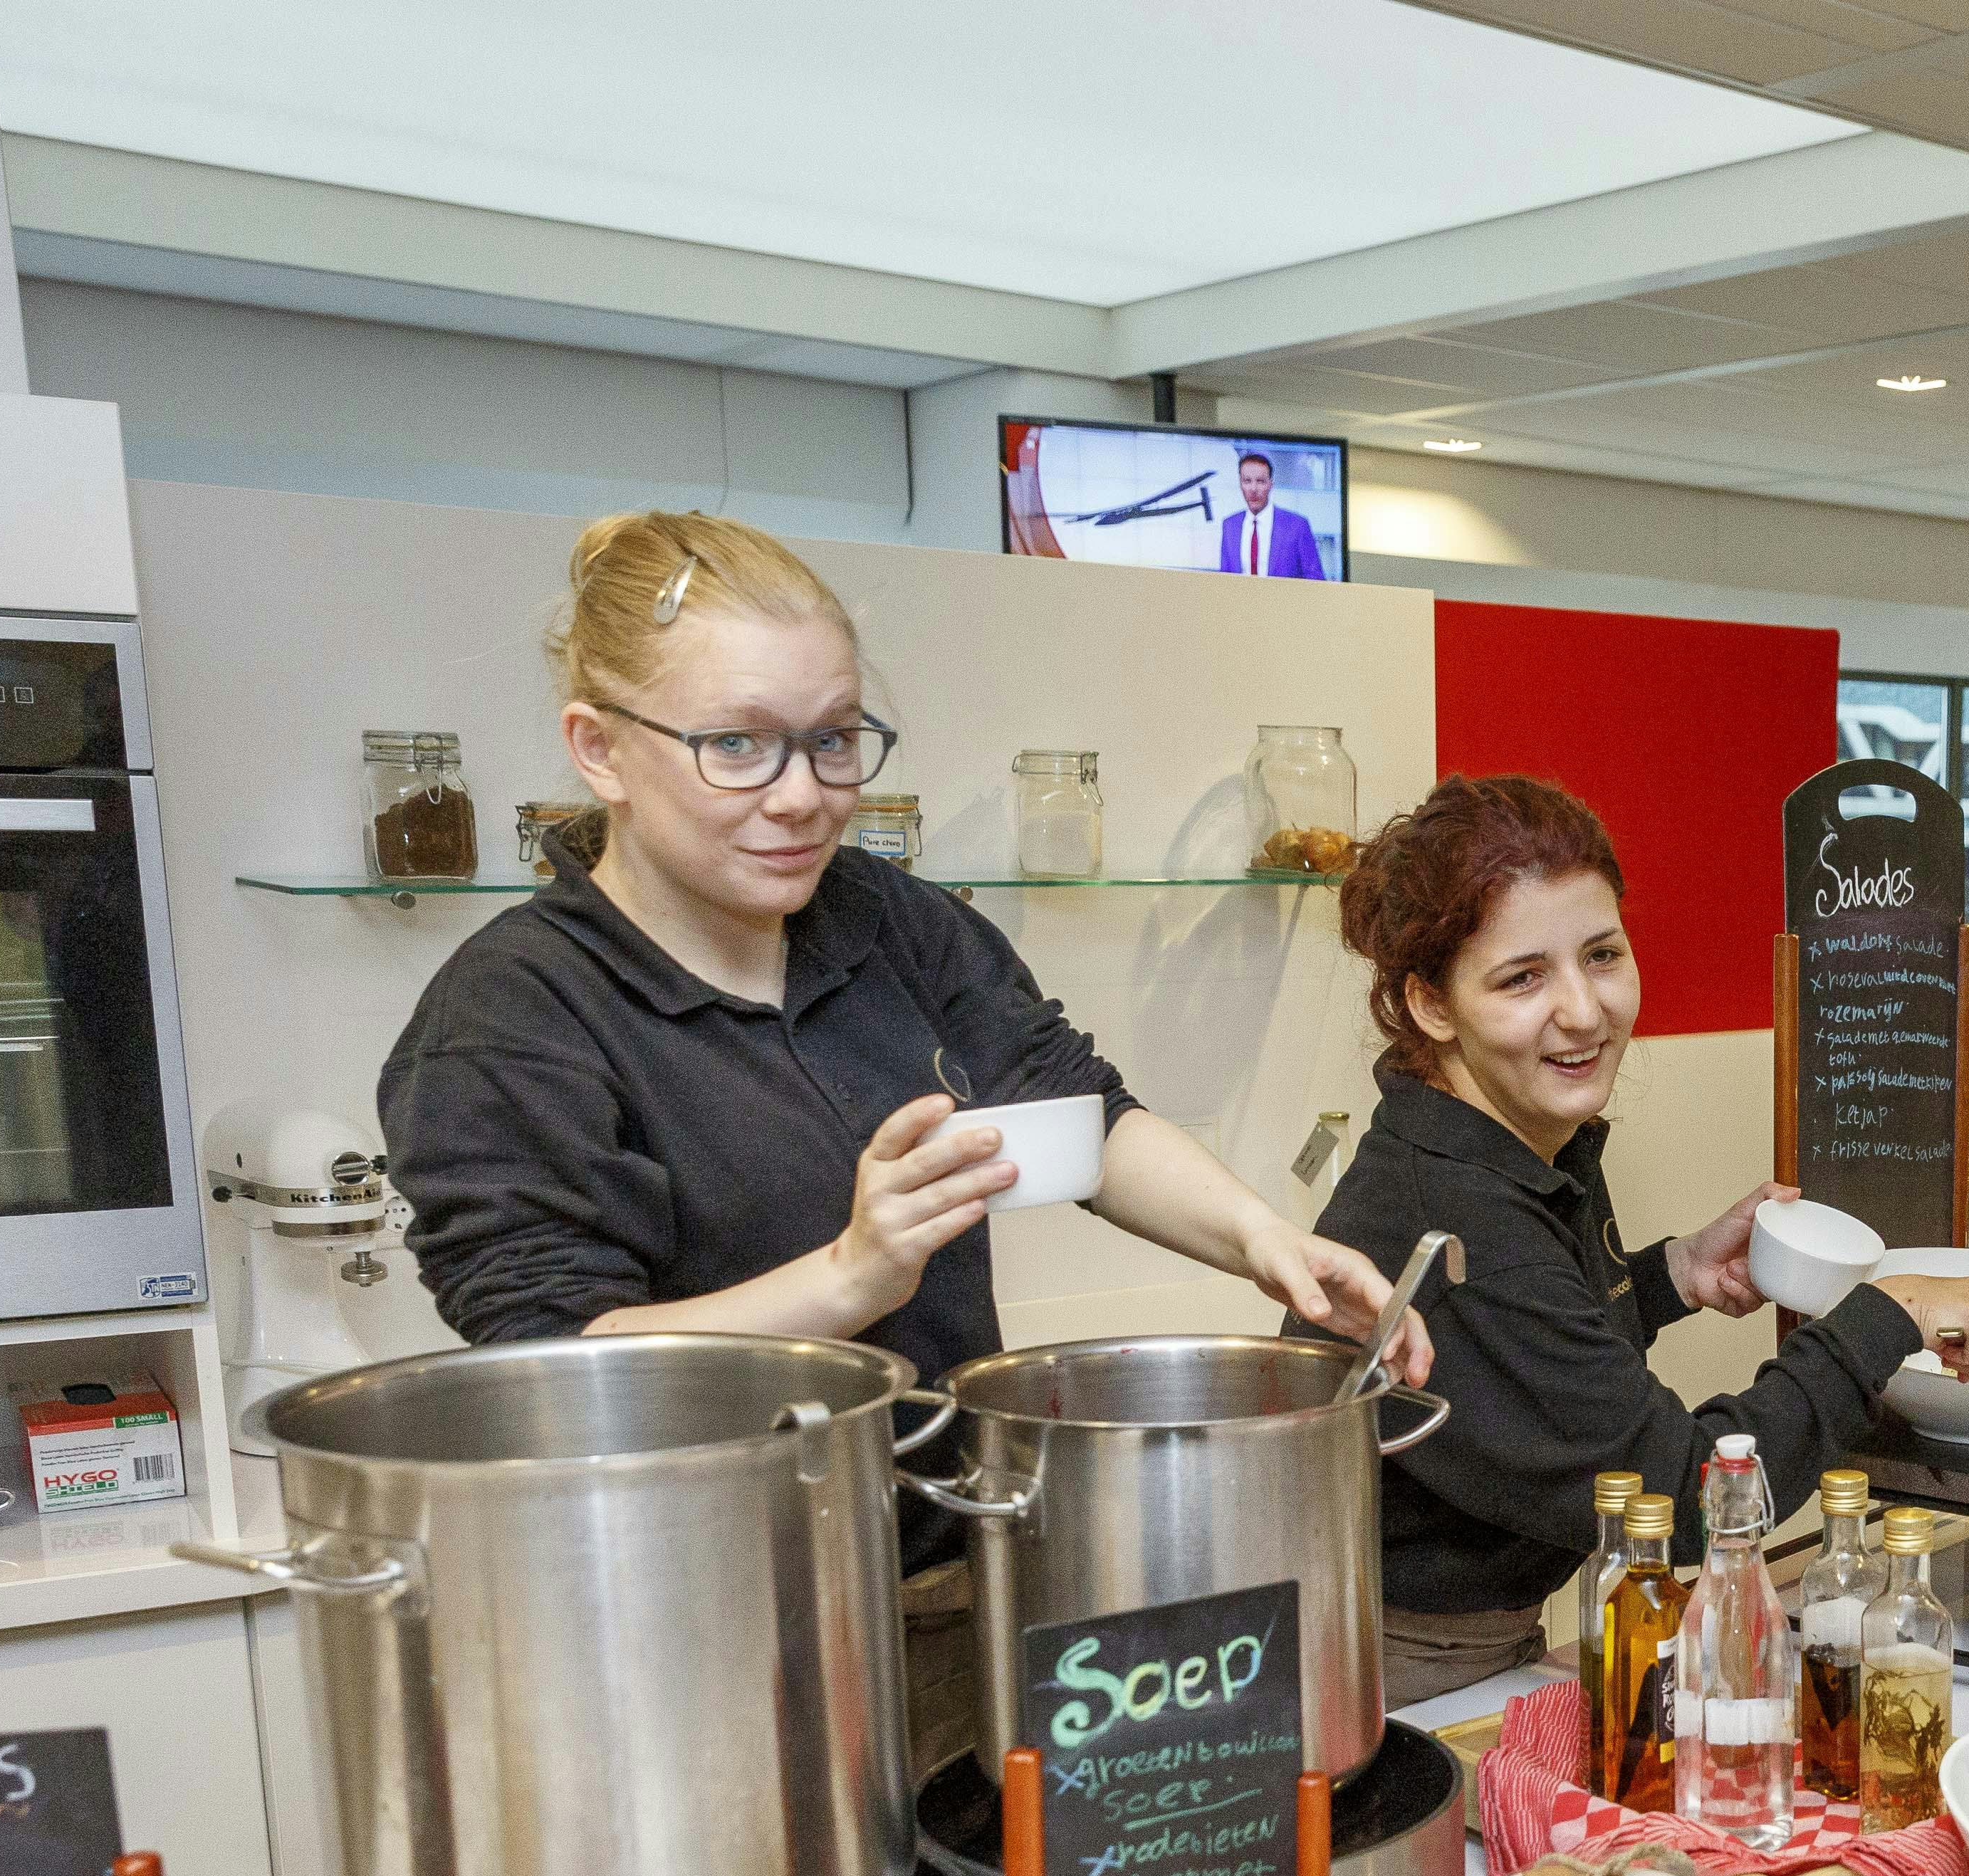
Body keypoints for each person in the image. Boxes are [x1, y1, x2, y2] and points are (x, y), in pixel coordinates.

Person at [382, 510, 1409, 1584]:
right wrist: (848, 1280)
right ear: (599, 749)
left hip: (957, 1559)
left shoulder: (886, 921)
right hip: (696, 1608)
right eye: (735, 744)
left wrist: (1266, 1245)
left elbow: (1073, 1111)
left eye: (832, 739)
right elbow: (554, 1370)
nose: (801, 797)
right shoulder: (510, 1016)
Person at [1304, 774, 1969, 1706]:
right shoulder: (1457, 1216)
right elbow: (1678, 1499)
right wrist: (1888, 1318)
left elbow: (1534, 1373)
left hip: (1471, 1634)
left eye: (1602, 955)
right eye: (1523, 977)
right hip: (1392, 1669)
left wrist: (1670, 1277)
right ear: (1432, 1004)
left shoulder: (1509, 1142)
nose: (1585, 1012)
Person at [1215, 451, 1325, 579]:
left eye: (1260, 481)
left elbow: (1316, 580)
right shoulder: (1230, 525)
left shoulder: (1297, 526)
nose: (1253, 489)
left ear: (1270, 485)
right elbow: (1224, 580)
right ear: (1241, 484)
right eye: (1247, 481)